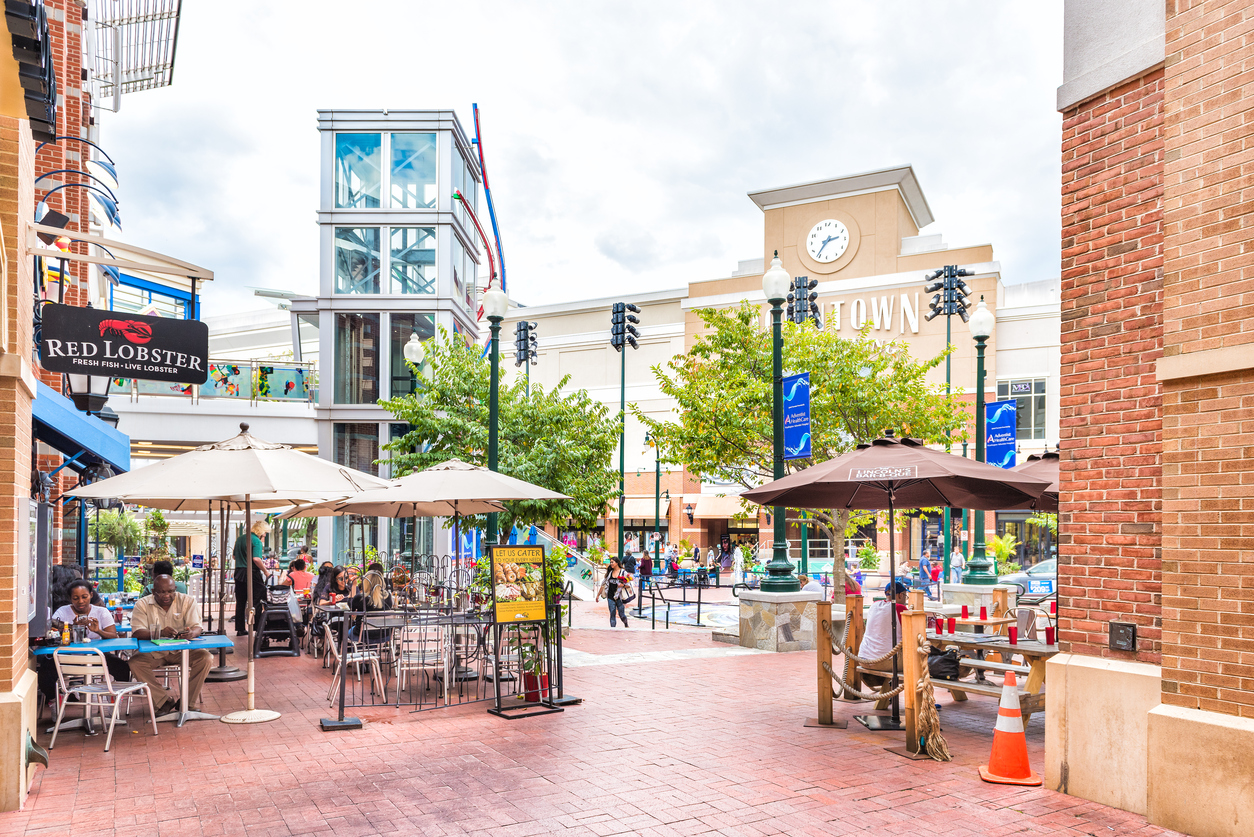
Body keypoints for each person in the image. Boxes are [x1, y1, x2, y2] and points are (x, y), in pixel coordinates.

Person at [129, 576, 211, 716]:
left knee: (206, 658)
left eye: (170, 591)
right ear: (153, 591)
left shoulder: (187, 601)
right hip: (154, 653)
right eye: (161, 592)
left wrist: (191, 634)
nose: (167, 595)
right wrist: (159, 633)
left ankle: (186, 702)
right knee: (135, 662)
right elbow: (137, 632)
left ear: (175, 590)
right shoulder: (142, 604)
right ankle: (163, 701)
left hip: (182, 651)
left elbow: (197, 627)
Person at [859, 582, 909, 672]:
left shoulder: (874, 605)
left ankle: (887, 686)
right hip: (884, 662)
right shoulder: (900, 608)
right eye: (906, 595)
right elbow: (911, 633)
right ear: (900, 595)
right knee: (919, 658)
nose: (906, 598)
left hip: (863, 659)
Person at [233, 519, 270, 636]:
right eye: (265, 533)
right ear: (261, 531)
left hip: (239, 572)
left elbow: (234, 556)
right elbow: (256, 559)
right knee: (257, 599)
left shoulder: (240, 539)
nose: (265, 535)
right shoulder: (256, 541)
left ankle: (240, 628)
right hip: (252, 572)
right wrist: (266, 572)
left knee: (240, 601)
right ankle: (257, 626)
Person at [348, 571, 393, 645]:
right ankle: (373, 651)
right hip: (384, 635)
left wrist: (353, 586)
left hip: (362, 635)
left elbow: (351, 608)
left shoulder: (360, 598)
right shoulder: (387, 597)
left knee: (348, 631)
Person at [595, 557, 632, 628]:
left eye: (612, 562)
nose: (611, 564)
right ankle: (613, 629)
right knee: (612, 614)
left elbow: (629, 585)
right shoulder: (609, 573)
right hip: (610, 596)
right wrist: (598, 595)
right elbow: (603, 585)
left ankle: (626, 624)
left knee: (621, 615)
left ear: (617, 563)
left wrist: (623, 585)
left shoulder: (623, 572)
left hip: (620, 597)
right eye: (610, 562)